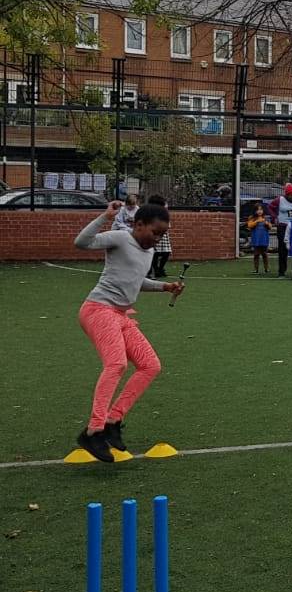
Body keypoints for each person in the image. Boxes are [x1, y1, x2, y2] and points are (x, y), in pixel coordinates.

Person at [72, 201, 184, 462]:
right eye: (155, 232)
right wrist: (105, 216)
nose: (157, 239)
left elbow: (135, 279)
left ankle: (113, 421)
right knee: (116, 364)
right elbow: (82, 242)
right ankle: (94, 430)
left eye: (162, 235)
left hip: (121, 315)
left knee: (150, 365)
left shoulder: (148, 251)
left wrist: (165, 287)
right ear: (139, 224)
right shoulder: (121, 238)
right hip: (99, 310)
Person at [146, 194, 172, 277]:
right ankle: (155, 269)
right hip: (153, 233)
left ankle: (160, 268)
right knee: (154, 253)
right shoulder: (150, 212)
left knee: (166, 252)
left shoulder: (164, 212)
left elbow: (167, 224)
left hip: (163, 234)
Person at [247, 203, 272, 274]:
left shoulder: (266, 218)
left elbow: (270, 227)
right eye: (257, 210)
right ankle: (256, 269)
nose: (259, 211)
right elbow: (249, 225)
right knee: (256, 254)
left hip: (264, 239)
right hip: (256, 239)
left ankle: (266, 268)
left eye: (261, 209)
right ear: (254, 211)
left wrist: (267, 224)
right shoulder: (252, 218)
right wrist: (256, 221)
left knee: (264, 254)